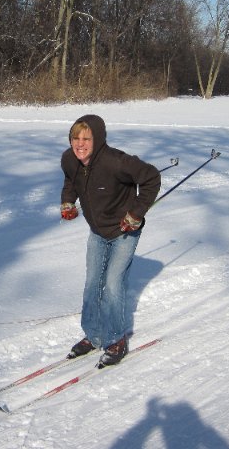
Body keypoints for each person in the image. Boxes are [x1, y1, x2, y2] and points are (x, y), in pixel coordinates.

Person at [60, 114, 161, 367]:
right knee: (92, 284)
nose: (80, 144)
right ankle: (93, 335)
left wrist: (135, 213)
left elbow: (151, 177)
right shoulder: (69, 160)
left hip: (125, 231)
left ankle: (116, 340)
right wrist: (68, 201)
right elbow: (71, 180)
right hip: (97, 231)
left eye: (86, 139)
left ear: (98, 139)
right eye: (75, 138)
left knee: (113, 284)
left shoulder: (116, 161)